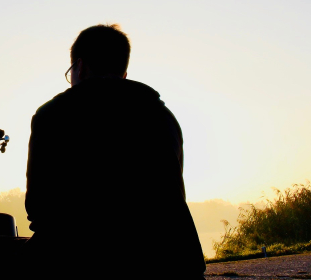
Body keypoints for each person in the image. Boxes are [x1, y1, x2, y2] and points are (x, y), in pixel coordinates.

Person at [22, 24, 206, 279]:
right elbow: (172, 193)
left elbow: (38, 207)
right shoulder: (162, 116)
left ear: (79, 66)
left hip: (78, 261)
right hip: (172, 261)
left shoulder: (53, 115)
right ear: (124, 73)